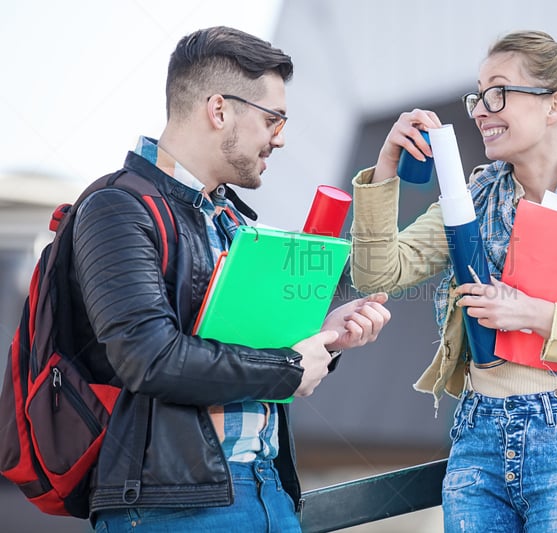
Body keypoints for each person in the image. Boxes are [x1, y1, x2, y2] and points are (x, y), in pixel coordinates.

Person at [350, 30, 557, 532]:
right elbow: (378, 272)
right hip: (478, 436)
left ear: (554, 106)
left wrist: (533, 313)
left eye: (498, 92)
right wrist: (387, 168)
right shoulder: (471, 201)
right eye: (478, 95)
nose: (481, 109)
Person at [73, 26, 390, 532]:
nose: (280, 137)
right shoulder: (116, 209)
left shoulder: (234, 222)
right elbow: (148, 358)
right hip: (171, 505)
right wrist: (288, 368)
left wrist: (323, 340)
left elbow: (248, 350)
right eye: (272, 119)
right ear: (219, 110)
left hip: (269, 488)